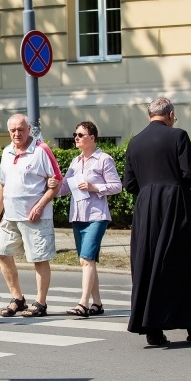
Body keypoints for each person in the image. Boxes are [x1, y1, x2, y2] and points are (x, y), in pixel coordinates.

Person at [123, 97, 191, 346]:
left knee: (148, 264)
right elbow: (190, 173)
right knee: (186, 262)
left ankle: (153, 329)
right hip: (175, 204)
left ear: (149, 115)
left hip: (146, 209)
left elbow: (129, 184)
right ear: (170, 115)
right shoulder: (178, 136)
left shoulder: (135, 142)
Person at [0, 113, 62, 318]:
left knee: (39, 259)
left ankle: (40, 303)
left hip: (35, 217)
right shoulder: (6, 152)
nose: (17, 134)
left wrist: (40, 206)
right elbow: (2, 186)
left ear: (29, 129)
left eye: (21, 129)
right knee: (3, 253)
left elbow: (56, 182)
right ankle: (18, 299)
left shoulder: (41, 150)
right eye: (13, 130)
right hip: (10, 216)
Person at [49, 121, 122, 317]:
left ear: (92, 138)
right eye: (75, 134)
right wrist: (54, 185)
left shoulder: (104, 160)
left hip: (96, 216)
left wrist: (95, 187)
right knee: (87, 261)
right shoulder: (75, 161)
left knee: (86, 259)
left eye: (80, 135)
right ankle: (97, 304)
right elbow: (65, 189)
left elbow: (117, 186)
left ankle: (83, 303)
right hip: (78, 216)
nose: (76, 138)